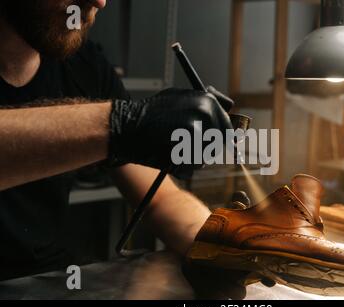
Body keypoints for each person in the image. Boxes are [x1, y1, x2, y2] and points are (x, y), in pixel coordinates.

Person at [0, 0, 233, 280]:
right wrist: (119, 124)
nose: (100, 1)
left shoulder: (85, 66)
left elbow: (160, 198)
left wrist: (222, 249)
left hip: (41, 281)